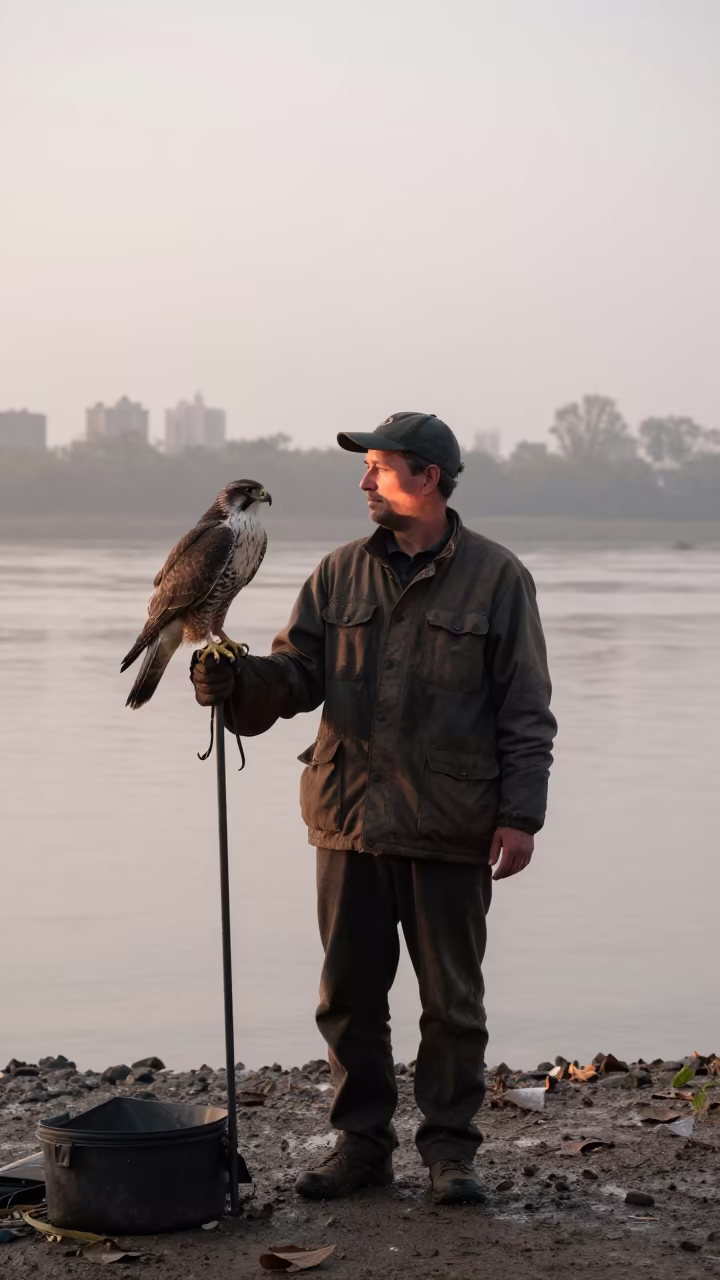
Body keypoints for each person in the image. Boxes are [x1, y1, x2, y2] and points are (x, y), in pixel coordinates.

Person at [191, 411, 556, 1205]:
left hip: (450, 827)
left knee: (452, 1005)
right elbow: (296, 676)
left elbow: (525, 710)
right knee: (348, 999)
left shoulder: (499, 579)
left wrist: (521, 815)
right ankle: (361, 1147)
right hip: (347, 820)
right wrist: (239, 683)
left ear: (426, 477)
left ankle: (450, 1155)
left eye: (380, 468)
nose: (365, 482)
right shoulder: (336, 574)